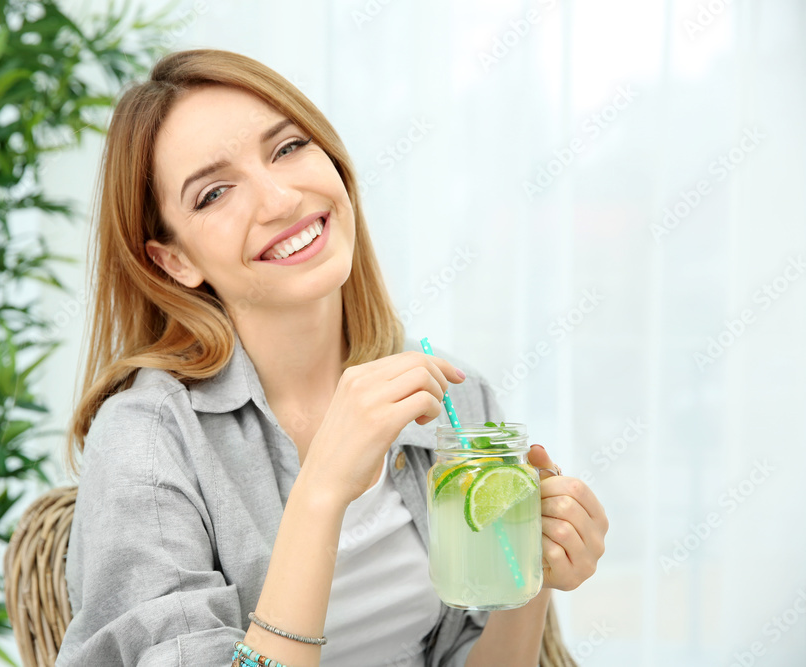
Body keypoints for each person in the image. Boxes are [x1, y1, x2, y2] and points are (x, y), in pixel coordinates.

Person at [54, 48, 608, 667]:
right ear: (174, 260)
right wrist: (320, 489)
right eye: (214, 193)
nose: (279, 199)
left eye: (288, 148)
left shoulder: (454, 398)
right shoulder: (147, 441)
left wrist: (530, 578)